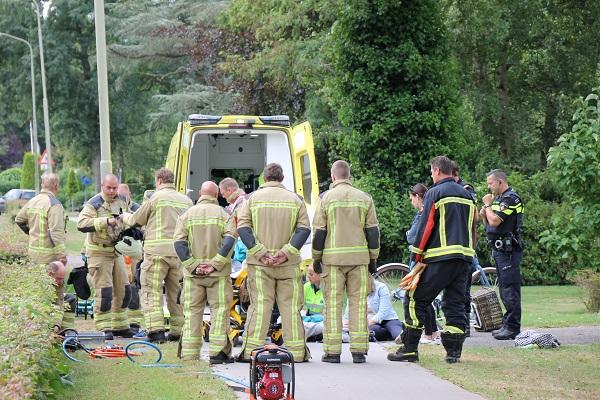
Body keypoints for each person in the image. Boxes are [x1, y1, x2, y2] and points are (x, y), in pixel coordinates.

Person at [388, 156, 476, 364]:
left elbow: (426, 226)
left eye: (431, 171)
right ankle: (453, 353)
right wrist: (469, 254)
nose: (430, 174)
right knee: (455, 304)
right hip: (464, 258)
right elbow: (472, 229)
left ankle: (409, 349)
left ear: (437, 171)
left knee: (414, 298)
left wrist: (417, 255)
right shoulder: (467, 195)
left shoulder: (435, 193)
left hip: (439, 258)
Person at [236, 163, 311, 362]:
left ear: (264, 178)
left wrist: (261, 253)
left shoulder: (251, 200)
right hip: (288, 264)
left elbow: (243, 228)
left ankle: (250, 351)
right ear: (282, 178)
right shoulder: (296, 200)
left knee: (260, 307)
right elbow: (304, 229)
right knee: (290, 308)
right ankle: (297, 353)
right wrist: (285, 253)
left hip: (260, 265)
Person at [312, 160, 380, 364]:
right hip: (359, 260)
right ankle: (359, 351)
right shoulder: (364, 198)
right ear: (349, 176)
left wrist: (316, 258)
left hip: (332, 262)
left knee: (333, 305)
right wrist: (373, 258)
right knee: (359, 304)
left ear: (333, 177)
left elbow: (319, 233)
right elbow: (373, 232)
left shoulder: (325, 198)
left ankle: (332, 353)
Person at [122, 168, 193, 343]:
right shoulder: (187, 201)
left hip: (156, 254)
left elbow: (135, 220)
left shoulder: (155, 198)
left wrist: (124, 216)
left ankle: (156, 332)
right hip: (179, 254)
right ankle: (178, 331)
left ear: (159, 180)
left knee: (150, 291)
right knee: (176, 293)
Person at [173, 181, 236, 363]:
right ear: (216, 195)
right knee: (220, 312)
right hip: (218, 274)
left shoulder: (186, 215)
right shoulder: (224, 215)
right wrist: (215, 264)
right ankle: (217, 354)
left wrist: (193, 265)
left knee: (192, 313)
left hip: (193, 276)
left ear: (200, 193)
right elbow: (230, 239)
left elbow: (178, 243)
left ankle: (190, 354)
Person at [77, 174, 136, 337]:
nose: (111, 191)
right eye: (108, 188)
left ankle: (120, 325)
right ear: (102, 186)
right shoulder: (94, 203)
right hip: (98, 252)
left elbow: (134, 215)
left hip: (116, 251)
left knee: (125, 290)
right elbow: (81, 224)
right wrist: (105, 221)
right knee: (104, 292)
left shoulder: (123, 200)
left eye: (114, 188)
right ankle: (104, 327)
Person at [15, 173, 68, 331]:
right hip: (50, 259)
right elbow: (56, 233)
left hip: (33, 257)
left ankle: (36, 330)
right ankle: (55, 330)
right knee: (57, 297)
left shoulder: (33, 201)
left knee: (37, 295)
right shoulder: (54, 204)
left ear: (43, 185)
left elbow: (19, 219)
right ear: (56, 186)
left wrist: (31, 233)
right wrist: (62, 257)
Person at [481, 169, 524, 340]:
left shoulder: (510, 199)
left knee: (510, 289)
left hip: (509, 251)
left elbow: (495, 220)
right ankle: (507, 324)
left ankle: (513, 327)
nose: (489, 187)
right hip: (499, 249)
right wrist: (486, 212)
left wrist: (487, 206)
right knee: (503, 288)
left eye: (490, 183)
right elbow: (489, 225)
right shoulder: (499, 200)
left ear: (500, 182)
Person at [406, 183, 439, 344]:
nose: (411, 202)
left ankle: (427, 333)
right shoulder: (430, 211)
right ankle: (432, 332)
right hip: (427, 259)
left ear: (418, 197)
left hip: (419, 259)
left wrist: (409, 233)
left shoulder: (421, 214)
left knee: (416, 297)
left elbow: (411, 237)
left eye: (411, 198)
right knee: (426, 299)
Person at [303, 265, 324, 342]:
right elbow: (297, 305)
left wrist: (321, 318)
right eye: (308, 274)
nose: (308, 276)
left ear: (320, 275)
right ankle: (315, 335)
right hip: (310, 320)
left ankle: (310, 335)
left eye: (311, 274)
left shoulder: (328, 289)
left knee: (325, 326)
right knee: (281, 319)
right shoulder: (306, 287)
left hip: (323, 321)